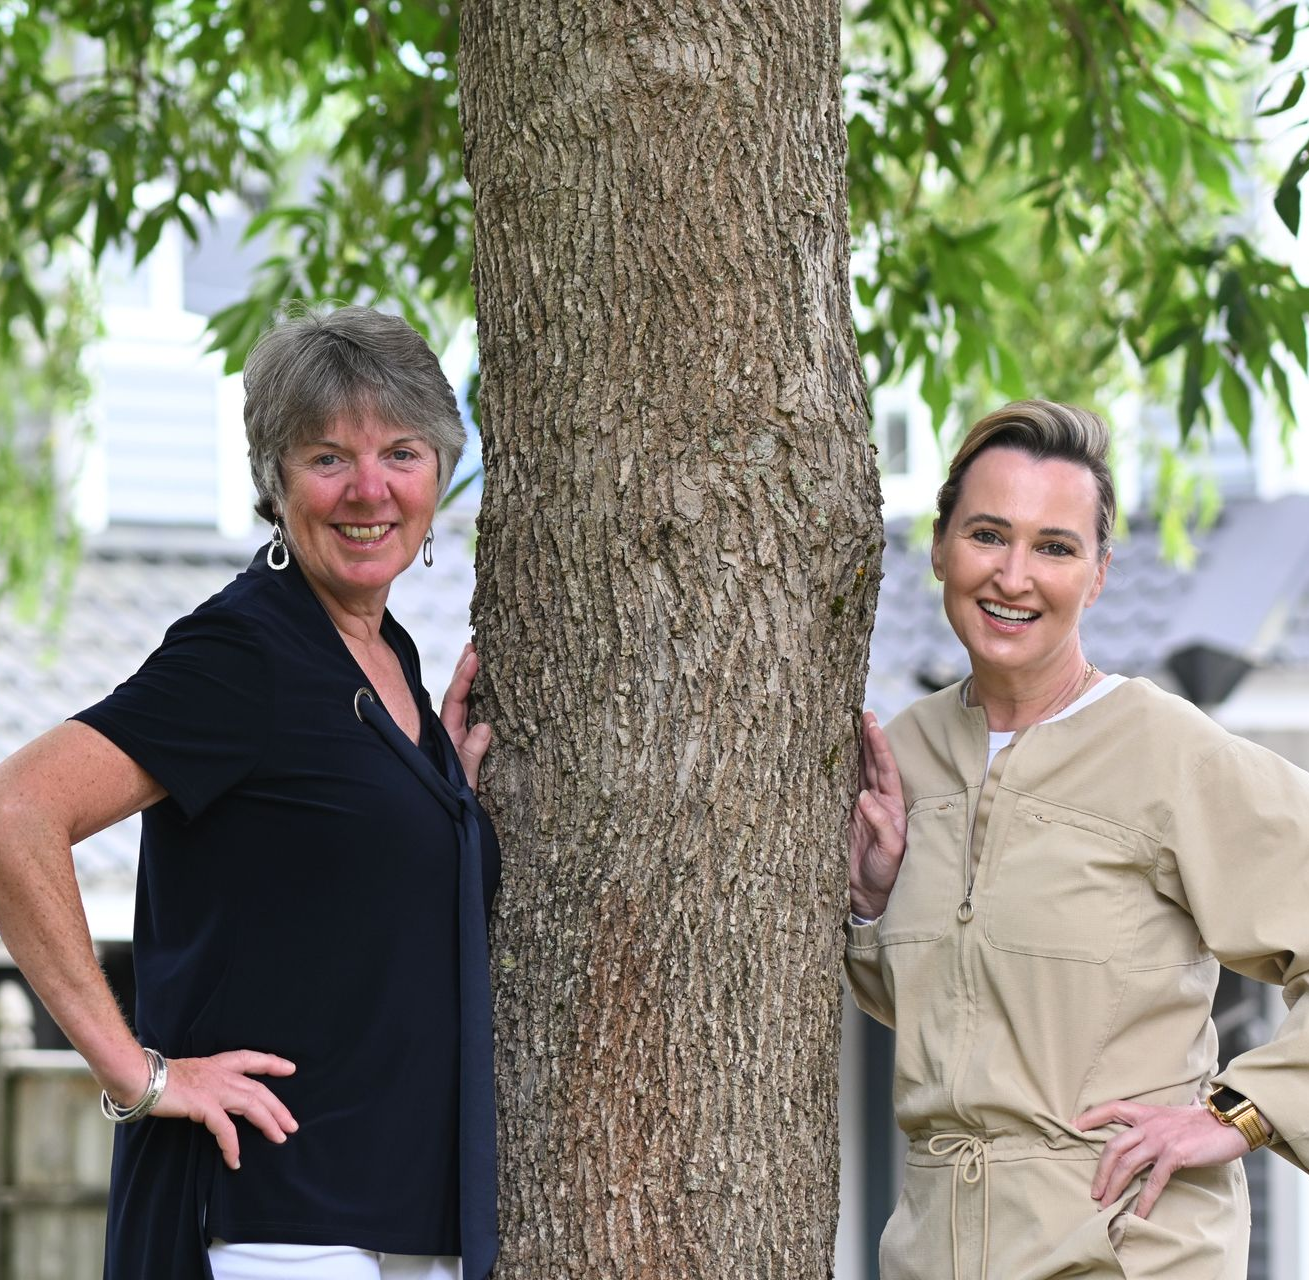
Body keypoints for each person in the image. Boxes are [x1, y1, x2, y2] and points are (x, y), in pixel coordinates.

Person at [0, 305, 500, 1280]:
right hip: (269, 1221)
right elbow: (19, 811)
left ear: (441, 471)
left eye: (401, 453)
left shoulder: (385, 655)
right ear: (275, 480)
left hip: (398, 1218)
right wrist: (139, 1074)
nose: (369, 489)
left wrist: (438, 803)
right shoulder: (243, 654)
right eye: (328, 457)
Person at [846, 400, 1309, 1279]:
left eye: (1054, 547)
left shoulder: (1169, 754)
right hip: (933, 1251)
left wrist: (1237, 1113)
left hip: (1128, 1250)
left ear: (1097, 576)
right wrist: (871, 908)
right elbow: (952, 1018)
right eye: (988, 534)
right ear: (939, 546)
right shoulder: (901, 757)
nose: (1013, 575)